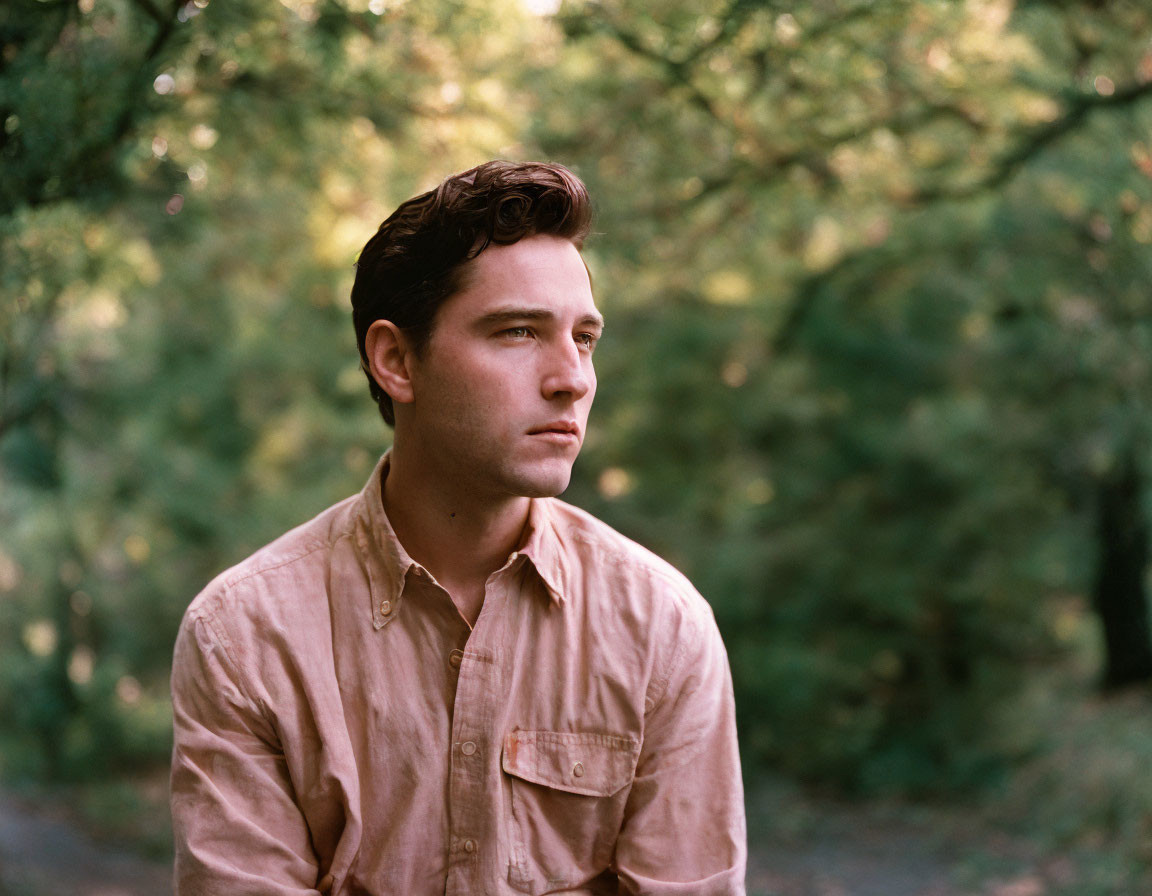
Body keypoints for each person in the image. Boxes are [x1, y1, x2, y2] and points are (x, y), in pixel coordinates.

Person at [170, 160, 746, 895]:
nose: (572, 377)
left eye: (585, 338)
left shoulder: (663, 629)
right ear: (396, 360)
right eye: (517, 331)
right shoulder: (244, 637)